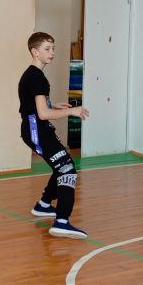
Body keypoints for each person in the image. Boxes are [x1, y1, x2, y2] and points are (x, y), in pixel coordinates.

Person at [19, 31, 89, 239]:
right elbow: (43, 114)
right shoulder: (37, 77)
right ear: (35, 51)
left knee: (62, 165)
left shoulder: (33, 75)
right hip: (37, 130)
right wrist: (71, 111)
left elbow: (35, 105)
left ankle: (43, 205)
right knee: (67, 169)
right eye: (47, 49)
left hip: (35, 128)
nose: (52, 53)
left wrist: (55, 105)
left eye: (53, 48)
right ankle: (62, 222)